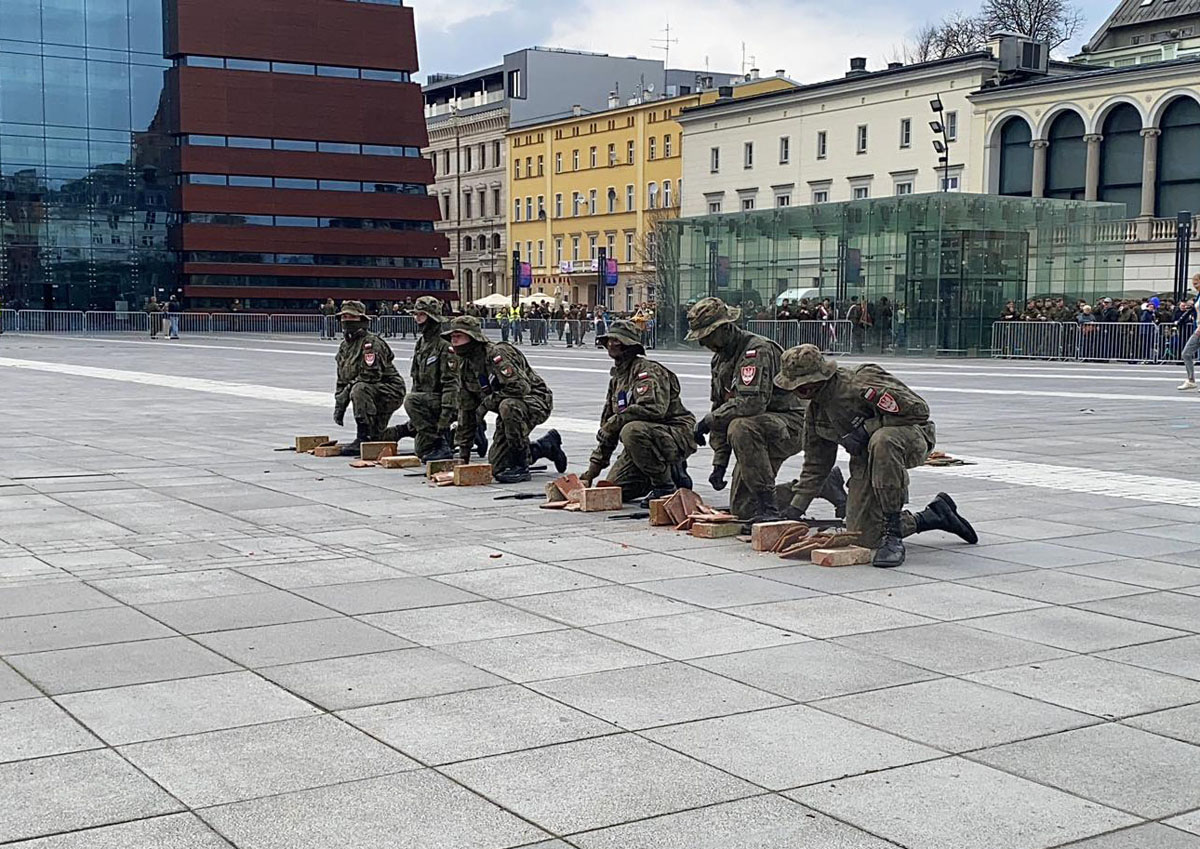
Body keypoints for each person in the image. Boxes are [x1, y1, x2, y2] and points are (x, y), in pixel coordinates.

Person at [774, 344, 977, 568]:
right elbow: (816, 464)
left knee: (883, 440)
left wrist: (868, 428)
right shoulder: (816, 411)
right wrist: (795, 510)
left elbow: (919, 411)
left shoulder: (861, 381)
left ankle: (893, 534)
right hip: (866, 459)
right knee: (863, 535)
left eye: (800, 387)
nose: (797, 393)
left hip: (909, 438)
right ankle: (934, 516)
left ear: (818, 379)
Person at [686, 297, 846, 523]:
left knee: (740, 425)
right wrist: (719, 463)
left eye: (708, 336)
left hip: (790, 424)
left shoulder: (756, 351)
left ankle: (769, 508)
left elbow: (751, 404)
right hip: (757, 431)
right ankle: (821, 485)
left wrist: (709, 420)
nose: (703, 343)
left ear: (725, 327)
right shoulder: (719, 360)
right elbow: (721, 408)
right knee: (743, 509)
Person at [582, 320, 696, 505]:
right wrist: (588, 475)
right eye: (609, 340)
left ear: (630, 346)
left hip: (673, 433)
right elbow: (607, 432)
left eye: (618, 341)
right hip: (645, 440)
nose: (612, 344)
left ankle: (665, 485)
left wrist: (616, 422)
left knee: (631, 430)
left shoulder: (648, 371)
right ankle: (661, 474)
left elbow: (653, 409)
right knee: (614, 490)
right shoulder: (617, 380)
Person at [442, 315, 566, 483]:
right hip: (507, 408)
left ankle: (521, 466)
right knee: (498, 465)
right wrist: (463, 459)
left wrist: (487, 403)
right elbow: (467, 410)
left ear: (472, 338)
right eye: (452, 337)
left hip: (534, 401)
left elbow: (521, 387)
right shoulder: (466, 365)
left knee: (508, 406)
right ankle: (545, 447)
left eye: (458, 336)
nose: (453, 341)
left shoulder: (497, 354)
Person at [382, 296, 454, 461]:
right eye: (415, 315)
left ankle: (441, 442)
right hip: (428, 403)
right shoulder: (422, 344)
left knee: (412, 401)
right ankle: (413, 430)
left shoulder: (444, 346)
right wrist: (416, 418)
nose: (416, 319)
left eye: (421, 315)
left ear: (432, 318)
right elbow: (417, 382)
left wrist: (444, 419)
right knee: (421, 450)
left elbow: (452, 386)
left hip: (447, 403)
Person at [333, 300, 407, 455]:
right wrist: (339, 404)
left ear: (361, 319)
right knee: (378, 438)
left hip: (388, 391)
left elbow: (371, 375)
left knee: (359, 388)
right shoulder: (344, 347)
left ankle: (363, 436)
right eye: (343, 317)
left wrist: (346, 393)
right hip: (369, 393)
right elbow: (342, 379)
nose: (346, 321)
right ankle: (406, 430)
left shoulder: (371, 343)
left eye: (351, 317)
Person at [1178, 274, 1200, 389]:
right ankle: (1191, 380)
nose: (1195, 286)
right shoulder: (1198, 296)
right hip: (1198, 328)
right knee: (1186, 353)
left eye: (1196, 283)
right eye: (1194, 284)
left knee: (1186, 352)